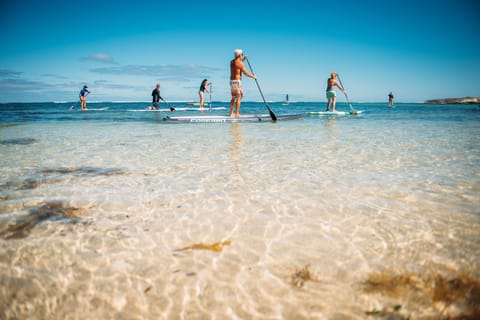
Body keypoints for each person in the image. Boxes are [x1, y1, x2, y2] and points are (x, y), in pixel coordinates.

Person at [229, 49, 256, 117]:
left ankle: (231, 113)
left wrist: (244, 59)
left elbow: (237, 63)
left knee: (234, 97)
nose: (242, 55)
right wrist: (253, 77)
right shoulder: (240, 64)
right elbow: (246, 73)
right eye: (242, 54)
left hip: (232, 81)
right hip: (237, 82)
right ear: (240, 55)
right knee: (238, 97)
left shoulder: (232, 62)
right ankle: (237, 114)